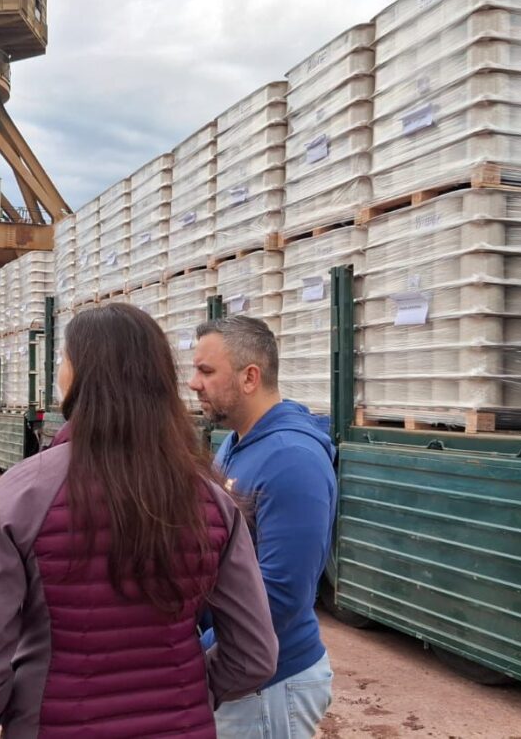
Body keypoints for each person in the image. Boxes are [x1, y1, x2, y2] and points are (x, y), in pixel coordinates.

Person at [0, 304, 277, 738]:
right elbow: (254, 655)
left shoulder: (23, 493)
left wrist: (13, 710)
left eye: (63, 361)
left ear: (79, 375)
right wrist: (191, 692)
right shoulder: (211, 498)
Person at [190, 315, 338, 739]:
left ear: (250, 377)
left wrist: (200, 659)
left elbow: (282, 594)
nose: (194, 384)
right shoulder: (236, 445)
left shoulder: (292, 459)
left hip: (269, 686)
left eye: (206, 371)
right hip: (243, 676)